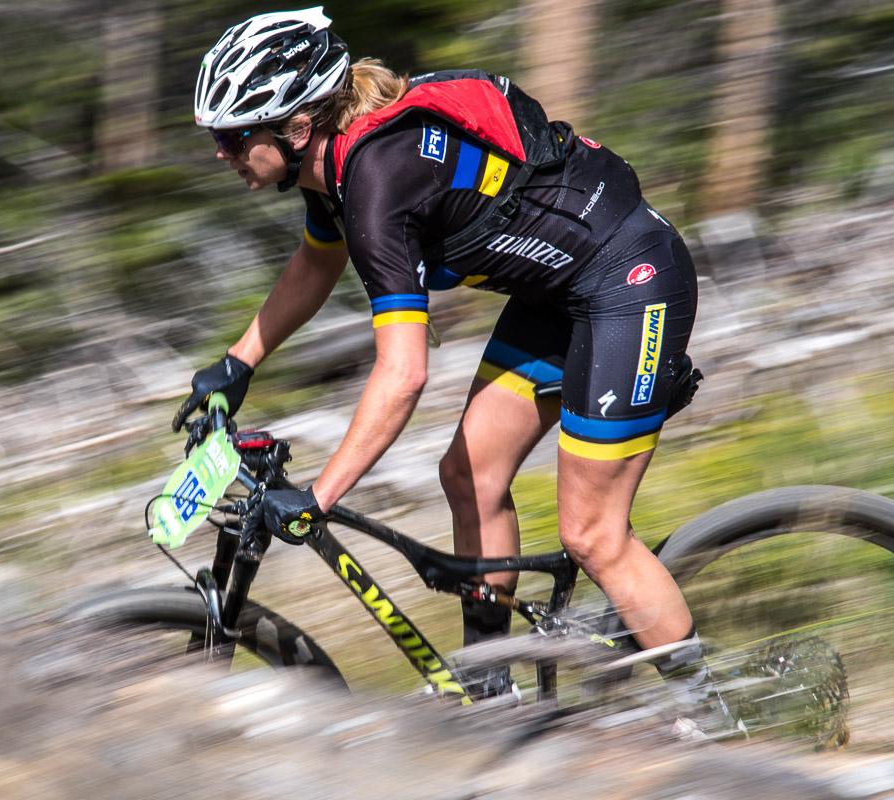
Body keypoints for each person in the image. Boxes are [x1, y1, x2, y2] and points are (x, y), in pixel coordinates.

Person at [177, 7, 739, 738]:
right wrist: (236, 363)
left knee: (592, 533)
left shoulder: (379, 180)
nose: (222, 155)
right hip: (560, 293)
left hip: (629, 283)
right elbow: (318, 262)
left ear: (297, 128)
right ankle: (494, 695)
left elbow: (404, 373)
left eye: (231, 138)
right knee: (467, 476)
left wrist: (320, 494)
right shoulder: (335, 168)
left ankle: (717, 722)